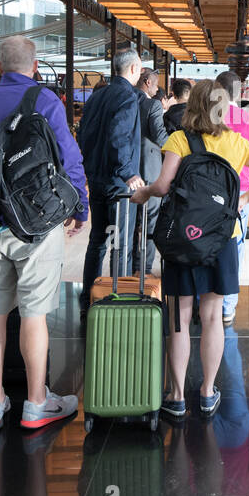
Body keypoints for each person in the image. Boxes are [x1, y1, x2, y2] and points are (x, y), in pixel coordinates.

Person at [0, 36, 89, 432]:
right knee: (34, 313)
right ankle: (36, 403)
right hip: (36, 226)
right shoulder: (45, 102)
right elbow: (69, 160)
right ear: (35, 65)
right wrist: (79, 207)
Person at [131, 80, 249, 421]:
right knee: (214, 317)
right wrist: (244, 200)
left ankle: (177, 395)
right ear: (223, 107)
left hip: (184, 238)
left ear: (194, 106)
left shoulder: (178, 140)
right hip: (222, 238)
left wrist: (144, 194)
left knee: (180, 319)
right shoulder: (236, 141)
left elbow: (163, 186)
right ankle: (208, 392)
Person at [77, 47, 145, 312]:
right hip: (119, 184)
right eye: (139, 67)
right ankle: (118, 299)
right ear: (132, 69)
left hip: (96, 179)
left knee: (97, 240)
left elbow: (83, 135)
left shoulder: (97, 96)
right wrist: (129, 173)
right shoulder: (128, 97)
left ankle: (88, 297)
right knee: (121, 242)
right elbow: (119, 137)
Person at [216, 70, 249, 327]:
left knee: (207, 246)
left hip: (209, 195)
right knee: (235, 249)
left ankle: (209, 300)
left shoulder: (209, 120)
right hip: (240, 196)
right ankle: (227, 306)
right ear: (241, 93)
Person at [132, 67, 168, 275]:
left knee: (130, 222)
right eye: (155, 84)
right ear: (147, 82)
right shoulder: (152, 104)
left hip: (128, 168)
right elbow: (160, 136)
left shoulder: (127, 100)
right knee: (149, 219)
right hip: (148, 167)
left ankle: (129, 269)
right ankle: (143, 268)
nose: (157, 89)